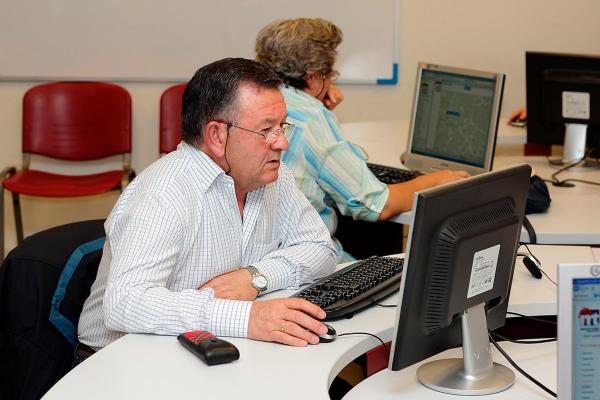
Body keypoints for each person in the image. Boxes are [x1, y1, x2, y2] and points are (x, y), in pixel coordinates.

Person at [77, 58, 337, 355]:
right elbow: (126, 304)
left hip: (204, 348)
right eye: (267, 130)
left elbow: (319, 248)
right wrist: (245, 317)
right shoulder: (165, 192)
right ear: (217, 135)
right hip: (118, 363)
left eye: (282, 126)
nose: (282, 143)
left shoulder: (271, 175)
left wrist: (255, 278)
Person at [255, 18, 469, 262]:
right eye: (329, 74)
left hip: (267, 255)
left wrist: (319, 105)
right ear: (313, 77)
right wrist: (436, 180)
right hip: (308, 260)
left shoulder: (259, 102)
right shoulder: (311, 119)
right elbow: (374, 204)